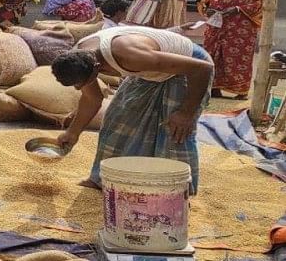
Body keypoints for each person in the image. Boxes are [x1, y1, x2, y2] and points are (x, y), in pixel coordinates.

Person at [52, 28, 213, 195]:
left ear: (96, 68)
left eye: (80, 84)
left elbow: (202, 69)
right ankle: (105, 179)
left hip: (189, 67)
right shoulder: (77, 59)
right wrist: (73, 132)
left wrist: (186, 113)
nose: (78, 88)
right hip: (151, 71)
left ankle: (178, 191)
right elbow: (92, 99)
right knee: (117, 120)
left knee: (174, 131)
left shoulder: (130, 56)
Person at [199, 0, 265, 100]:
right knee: (214, 56)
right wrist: (208, 9)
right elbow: (205, 2)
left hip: (239, 31)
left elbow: (259, 6)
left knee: (236, 59)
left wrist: (237, 9)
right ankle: (215, 88)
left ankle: (241, 91)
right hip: (216, 29)